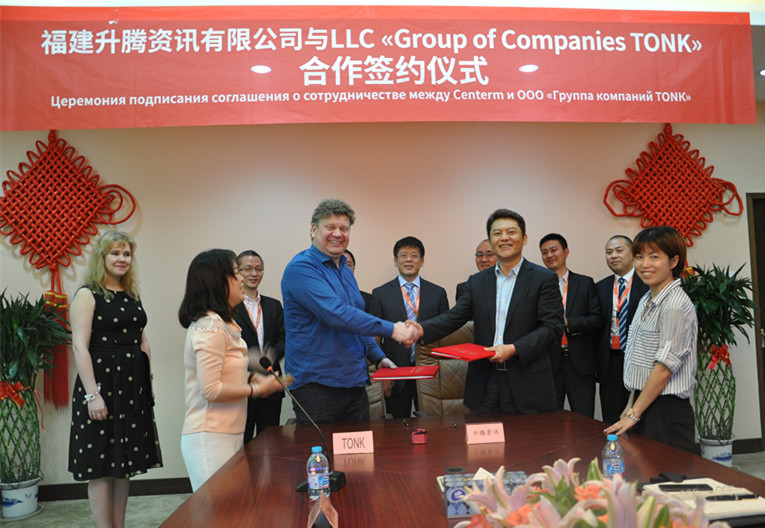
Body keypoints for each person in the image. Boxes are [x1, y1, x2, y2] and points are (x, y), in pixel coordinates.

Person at [412, 209, 563, 414]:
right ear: (491, 241)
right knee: (482, 434)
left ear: (524, 238)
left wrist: (514, 349)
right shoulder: (477, 281)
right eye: (497, 233)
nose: (504, 238)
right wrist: (420, 330)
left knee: (526, 436)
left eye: (511, 232)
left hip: (528, 382)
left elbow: (552, 327)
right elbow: (455, 316)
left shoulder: (543, 278)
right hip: (485, 382)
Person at [281, 198, 416, 424]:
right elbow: (338, 314)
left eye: (344, 229)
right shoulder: (301, 268)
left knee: (359, 446)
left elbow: (355, 322)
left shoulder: (344, 269)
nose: (338, 234)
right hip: (318, 385)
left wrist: (378, 357)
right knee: (323, 448)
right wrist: (393, 329)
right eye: (330, 227)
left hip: (353, 382)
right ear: (313, 229)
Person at [68, 230, 162, 528]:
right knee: (100, 465)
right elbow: (79, 346)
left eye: (126, 254)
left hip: (132, 386)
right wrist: (92, 395)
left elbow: (142, 342)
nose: (122, 259)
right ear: (102, 257)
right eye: (115, 253)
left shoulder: (131, 294)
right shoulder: (87, 294)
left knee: (125, 464)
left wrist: (147, 383)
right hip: (101, 386)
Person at [179, 249, 286, 491]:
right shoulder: (210, 327)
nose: (242, 279)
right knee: (218, 509)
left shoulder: (225, 324)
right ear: (217, 281)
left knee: (234, 506)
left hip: (229, 433)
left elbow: (229, 373)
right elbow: (210, 389)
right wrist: (256, 389)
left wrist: (255, 378)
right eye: (236, 273)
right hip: (210, 436)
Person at [604, 226, 697, 453]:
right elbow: (640, 362)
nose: (645, 264)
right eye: (639, 257)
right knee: (642, 473)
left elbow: (663, 369)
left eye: (654, 257)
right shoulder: (647, 298)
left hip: (666, 411)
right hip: (644, 403)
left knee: (666, 474)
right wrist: (630, 407)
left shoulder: (674, 304)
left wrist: (634, 413)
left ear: (674, 261)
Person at [369, 236, 449, 418]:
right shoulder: (380, 293)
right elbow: (374, 335)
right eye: (403, 255)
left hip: (430, 370)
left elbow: (445, 333)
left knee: (434, 424)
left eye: (414, 255)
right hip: (395, 371)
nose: (408, 260)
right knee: (398, 425)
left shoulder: (438, 293)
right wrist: (381, 373)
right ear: (395, 261)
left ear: (422, 261)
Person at [539, 233, 603, 418]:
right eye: (544, 252)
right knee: (550, 418)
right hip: (550, 362)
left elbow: (597, 319)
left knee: (584, 417)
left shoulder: (584, 283)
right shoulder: (538, 286)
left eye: (554, 250)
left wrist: (568, 322)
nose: (549, 255)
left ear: (566, 252)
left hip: (580, 363)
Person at [595, 235, 649, 424]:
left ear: (632, 253)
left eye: (619, 250)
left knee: (639, 418)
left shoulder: (648, 284)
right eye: (609, 252)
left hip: (639, 361)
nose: (613, 256)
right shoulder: (600, 287)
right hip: (611, 361)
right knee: (611, 417)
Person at [233, 250, 285, 442]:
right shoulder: (230, 307)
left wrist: (270, 356)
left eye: (258, 269)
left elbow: (284, 338)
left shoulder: (273, 305)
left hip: (271, 381)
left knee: (271, 441)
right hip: (242, 384)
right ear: (237, 272)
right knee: (243, 442)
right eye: (247, 269)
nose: (254, 274)